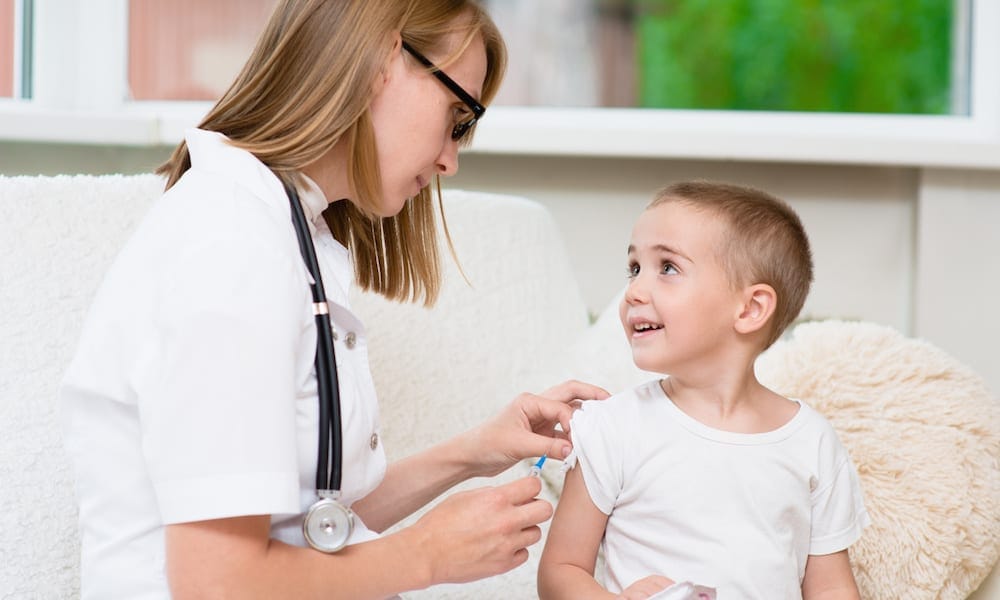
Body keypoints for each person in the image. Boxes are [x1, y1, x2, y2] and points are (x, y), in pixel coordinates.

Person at [59, 1, 608, 598]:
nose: (451, 159)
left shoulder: (284, 230)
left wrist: (474, 453)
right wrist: (426, 553)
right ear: (383, 59)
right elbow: (217, 584)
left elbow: (311, 524)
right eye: (457, 115)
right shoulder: (231, 247)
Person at [538, 181, 870, 600]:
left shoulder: (812, 442)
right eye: (635, 268)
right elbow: (560, 571)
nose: (634, 291)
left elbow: (832, 588)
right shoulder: (612, 427)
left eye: (668, 268)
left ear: (749, 309)